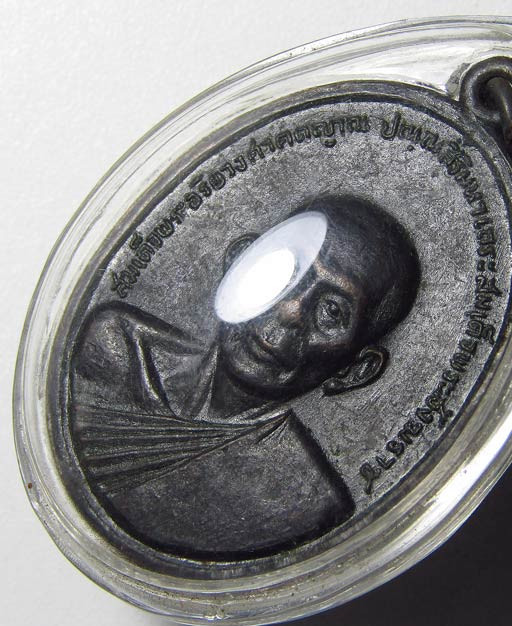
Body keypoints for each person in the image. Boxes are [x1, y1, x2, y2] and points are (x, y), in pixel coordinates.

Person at [70, 196, 420, 560]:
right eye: (288, 270)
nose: (290, 311)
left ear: (354, 371)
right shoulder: (117, 347)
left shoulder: (302, 500)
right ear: (239, 262)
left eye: (332, 310)